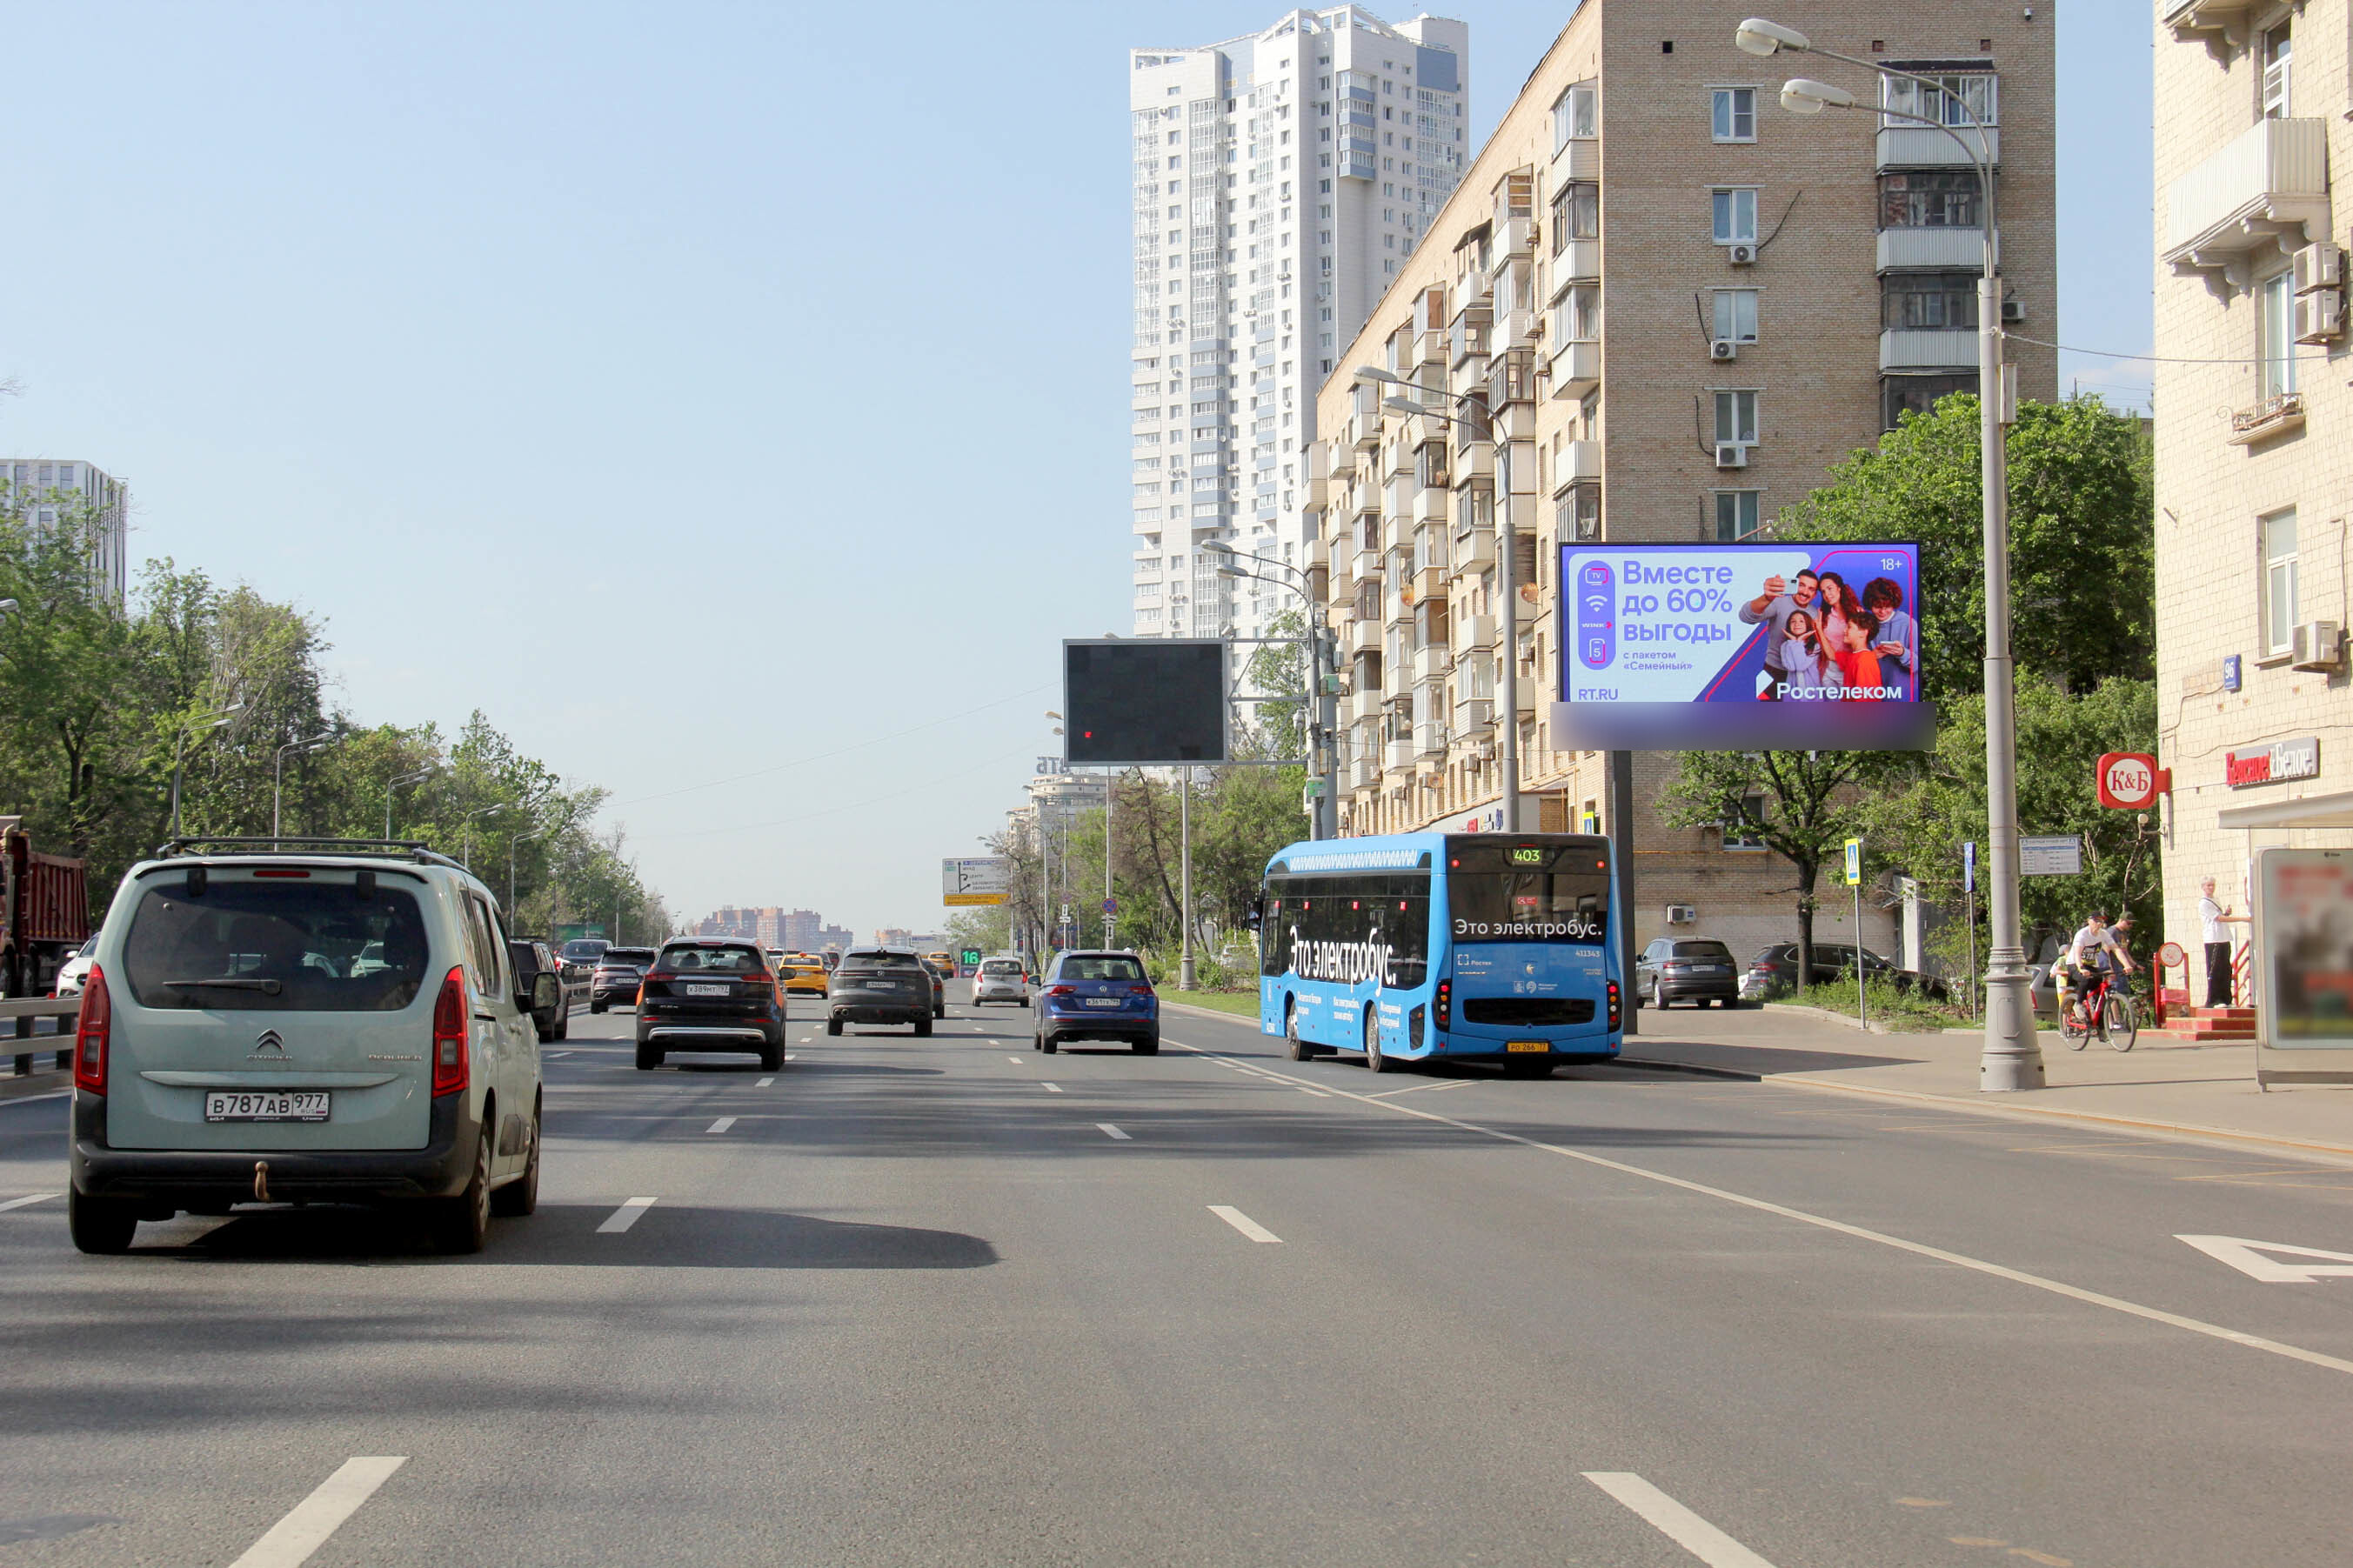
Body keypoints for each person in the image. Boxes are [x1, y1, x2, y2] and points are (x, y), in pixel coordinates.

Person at [1738, 569, 1821, 698]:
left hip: (1802, 675)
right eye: (1802, 585)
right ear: (1794, 585)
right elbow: (1746, 617)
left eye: (1811, 589)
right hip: (1773, 671)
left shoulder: (1815, 614)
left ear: (1815, 595)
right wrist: (1766, 598)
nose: (1805, 592)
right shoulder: (1778, 602)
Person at [2057, 912, 2135, 1030]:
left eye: (2101, 921)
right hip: (2075, 964)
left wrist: (2126, 965)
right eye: (2096, 921)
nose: (2099, 924)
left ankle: (2100, 1029)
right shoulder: (2082, 934)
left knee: (2100, 994)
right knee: (2086, 979)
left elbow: (2116, 950)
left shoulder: (2103, 934)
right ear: (2089, 921)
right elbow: (2077, 953)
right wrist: (2081, 968)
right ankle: (2079, 1004)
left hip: (2091, 965)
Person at [1861, 577, 1918, 699]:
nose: (1882, 611)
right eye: (1877, 607)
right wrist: (1871, 657)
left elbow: (1918, 665)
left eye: (1887, 606)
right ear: (1870, 604)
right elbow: (1855, 663)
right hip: (1872, 695)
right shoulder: (1865, 624)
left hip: (1901, 696)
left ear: (1894, 604)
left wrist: (1902, 653)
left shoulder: (1908, 624)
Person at [2196, 877, 2249, 1007]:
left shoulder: (2215, 900)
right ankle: (2214, 1000)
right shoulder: (2204, 903)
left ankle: (2226, 999)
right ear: (2203, 887)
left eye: (2212, 885)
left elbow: (2222, 916)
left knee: (2226, 969)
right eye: (2208, 885)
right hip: (2213, 939)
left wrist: (2227, 913)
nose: (2211, 887)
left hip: (2223, 938)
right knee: (2216, 970)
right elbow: (2219, 919)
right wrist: (2243, 919)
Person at [1828, 610, 1887, 698]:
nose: (1844, 630)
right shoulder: (1854, 656)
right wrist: (1819, 629)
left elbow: (1866, 701)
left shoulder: (1864, 661)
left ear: (1863, 633)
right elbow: (1831, 655)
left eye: (1849, 627)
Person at [1776, 609, 1829, 697]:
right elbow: (1791, 667)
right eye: (1793, 621)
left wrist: (1799, 642)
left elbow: (1801, 666)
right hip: (1792, 691)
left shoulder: (1815, 646)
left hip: (1812, 690)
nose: (1797, 624)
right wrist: (1794, 642)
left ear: (1807, 624)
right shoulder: (1786, 645)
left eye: (1801, 621)